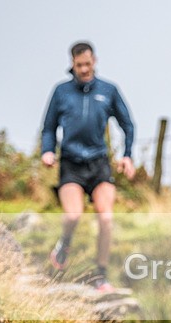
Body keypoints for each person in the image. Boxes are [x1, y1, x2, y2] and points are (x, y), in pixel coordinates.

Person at [41, 41, 135, 292]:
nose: (84, 69)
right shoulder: (61, 92)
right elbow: (49, 127)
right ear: (72, 64)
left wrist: (127, 155)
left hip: (98, 162)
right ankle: (64, 244)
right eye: (79, 65)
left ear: (95, 61)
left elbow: (128, 125)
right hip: (71, 163)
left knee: (106, 218)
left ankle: (100, 275)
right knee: (73, 215)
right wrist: (47, 151)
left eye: (88, 64)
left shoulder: (109, 90)